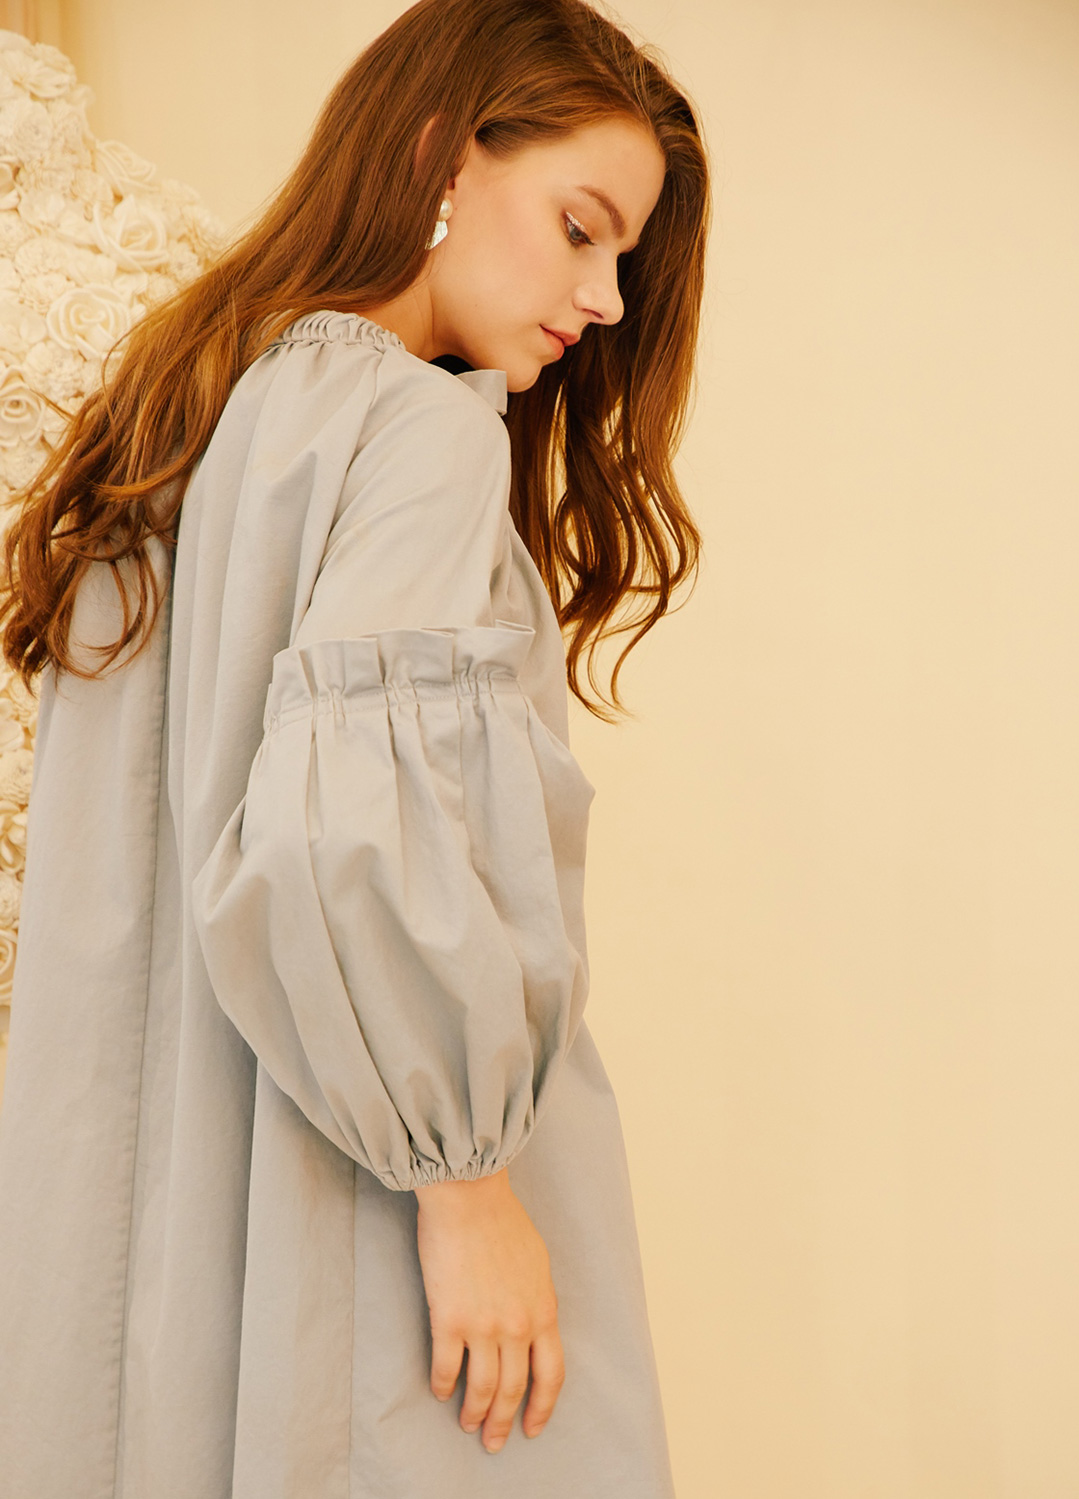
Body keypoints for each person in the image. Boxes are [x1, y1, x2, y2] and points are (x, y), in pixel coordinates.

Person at [0, 0, 709, 1493]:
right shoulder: (421, 435)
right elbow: (342, 832)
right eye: (581, 228)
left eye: (624, 259)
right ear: (441, 156)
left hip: (160, 1241)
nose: (606, 300)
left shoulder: (184, 411)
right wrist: (466, 1184)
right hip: (362, 1206)